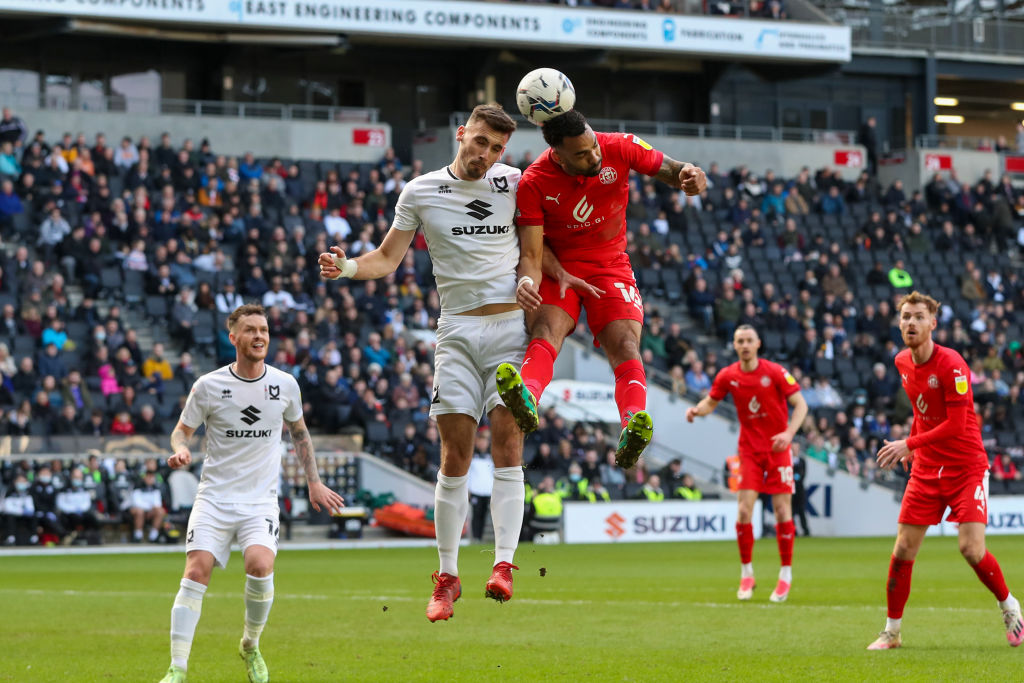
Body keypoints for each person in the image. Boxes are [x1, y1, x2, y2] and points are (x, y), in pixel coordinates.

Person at [318, 104, 530, 622]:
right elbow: (388, 259)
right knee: (454, 457)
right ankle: (447, 577)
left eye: (497, 148)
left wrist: (533, 281)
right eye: (480, 142)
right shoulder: (420, 190)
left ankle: (503, 564)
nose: (487, 155)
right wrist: (346, 266)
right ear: (461, 135)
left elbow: (537, 246)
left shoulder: (517, 184)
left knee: (508, 443)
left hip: (509, 331)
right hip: (456, 331)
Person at [494, 108, 707, 469]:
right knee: (546, 329)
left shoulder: (619, 147)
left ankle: (633, 424)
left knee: (625, 343)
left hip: (611, 267)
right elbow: (531, 249)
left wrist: (692, 176)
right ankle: (526, 397)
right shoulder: (533, 182)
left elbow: (673, 170)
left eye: (592, 146)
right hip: (560, 269)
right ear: (557, 155)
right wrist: (532, 280)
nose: (594, 156)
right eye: (581, 155)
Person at [157, 304, 345, 683]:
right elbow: (182, 430)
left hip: (259, 500)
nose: (259, 336)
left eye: (264, 329)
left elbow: (299, 433)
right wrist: (180, 449)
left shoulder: (285, 384)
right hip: (214, 498)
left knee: (260, 565)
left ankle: (250, 644)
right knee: (196, 571)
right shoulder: (208, 386)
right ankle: (177, 669)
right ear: (234, 338)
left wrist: (314, 481)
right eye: (250, 330)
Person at [867, 291, 1024, 650]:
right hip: (926, 467)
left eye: (918, 317)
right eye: (905, 316)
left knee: (970, 549)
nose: (910, 323)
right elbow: (922, 413)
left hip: (966, 466)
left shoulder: (952, 364)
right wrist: (912, 442)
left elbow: (955, 424)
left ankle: (1009, 605)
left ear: (932, 324)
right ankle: (891, 632)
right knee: (904, 548)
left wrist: (909, 444)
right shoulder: (901, 362)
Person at [686, 325, 808, 603]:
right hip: (749, 451)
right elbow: (710, 402)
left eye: (749, 340)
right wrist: (696, 411)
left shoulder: (775, 372)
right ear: (734, 345)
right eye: (739, 341)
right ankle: (747, 573)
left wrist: (789, 434)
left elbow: (801, 405)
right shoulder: (728, 375)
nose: (744, 345)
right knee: (743, 510)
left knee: (781, 511)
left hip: (778, 449)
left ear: (758, 343)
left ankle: (785, 575)